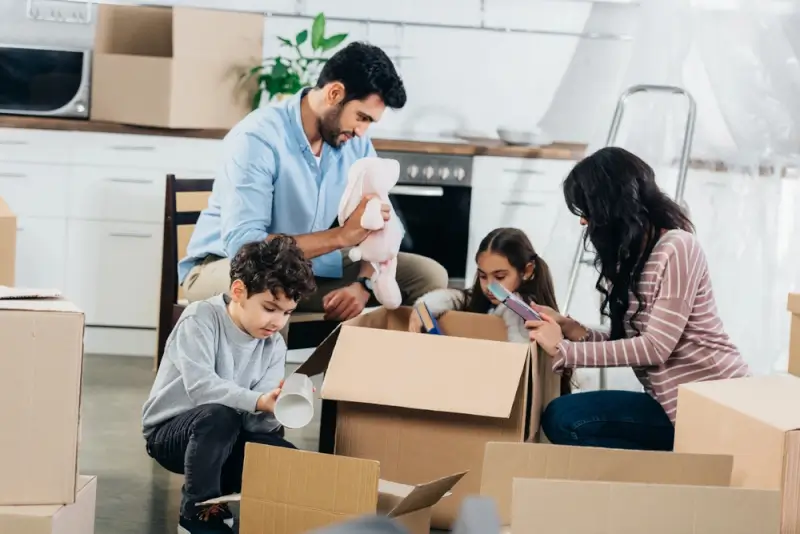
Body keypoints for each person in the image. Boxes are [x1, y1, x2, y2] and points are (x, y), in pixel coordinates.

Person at [179, 42, 448, 320]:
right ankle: (267, 365)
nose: (361, 131)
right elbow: (246, 247)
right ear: (334, 93)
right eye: (361, 117)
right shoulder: (257, 138)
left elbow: (378, 226)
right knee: (270, 281)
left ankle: (375, 364)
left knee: (427, 276)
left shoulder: (355, 144)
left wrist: (363, 284)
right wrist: (341, 236)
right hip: (226, 267)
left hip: (303, 268)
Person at [526, 147, 751, 451]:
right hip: (670, 404)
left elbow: (656, 348)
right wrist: (576, 331)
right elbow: (638, 340)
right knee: (561, 415)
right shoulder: (629, 257)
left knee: (567, 419)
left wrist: (563, 350)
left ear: (611, 206)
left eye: (587, 211)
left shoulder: (678, 247)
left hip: (717, 405)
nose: (583, 223)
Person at [142, 236, 317, 534]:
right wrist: (258, 400)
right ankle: (198, 514)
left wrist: (275, 405)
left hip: (227, 435)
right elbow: (201, 389)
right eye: (270, 307)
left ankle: (253, 513)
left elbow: (255, 424)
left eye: (287, 313)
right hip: (172, 435)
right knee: (218, 416)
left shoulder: (273, 344)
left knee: (280, 450)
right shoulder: (201, 318)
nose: (278, 322)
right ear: (239, 291)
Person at [409, 227, 571, 401]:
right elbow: (463, 298)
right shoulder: (487, 299)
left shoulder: (525, 312)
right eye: (483, 276)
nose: (489, 286)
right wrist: (424, 307)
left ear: (527, 271)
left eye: (500, 277)